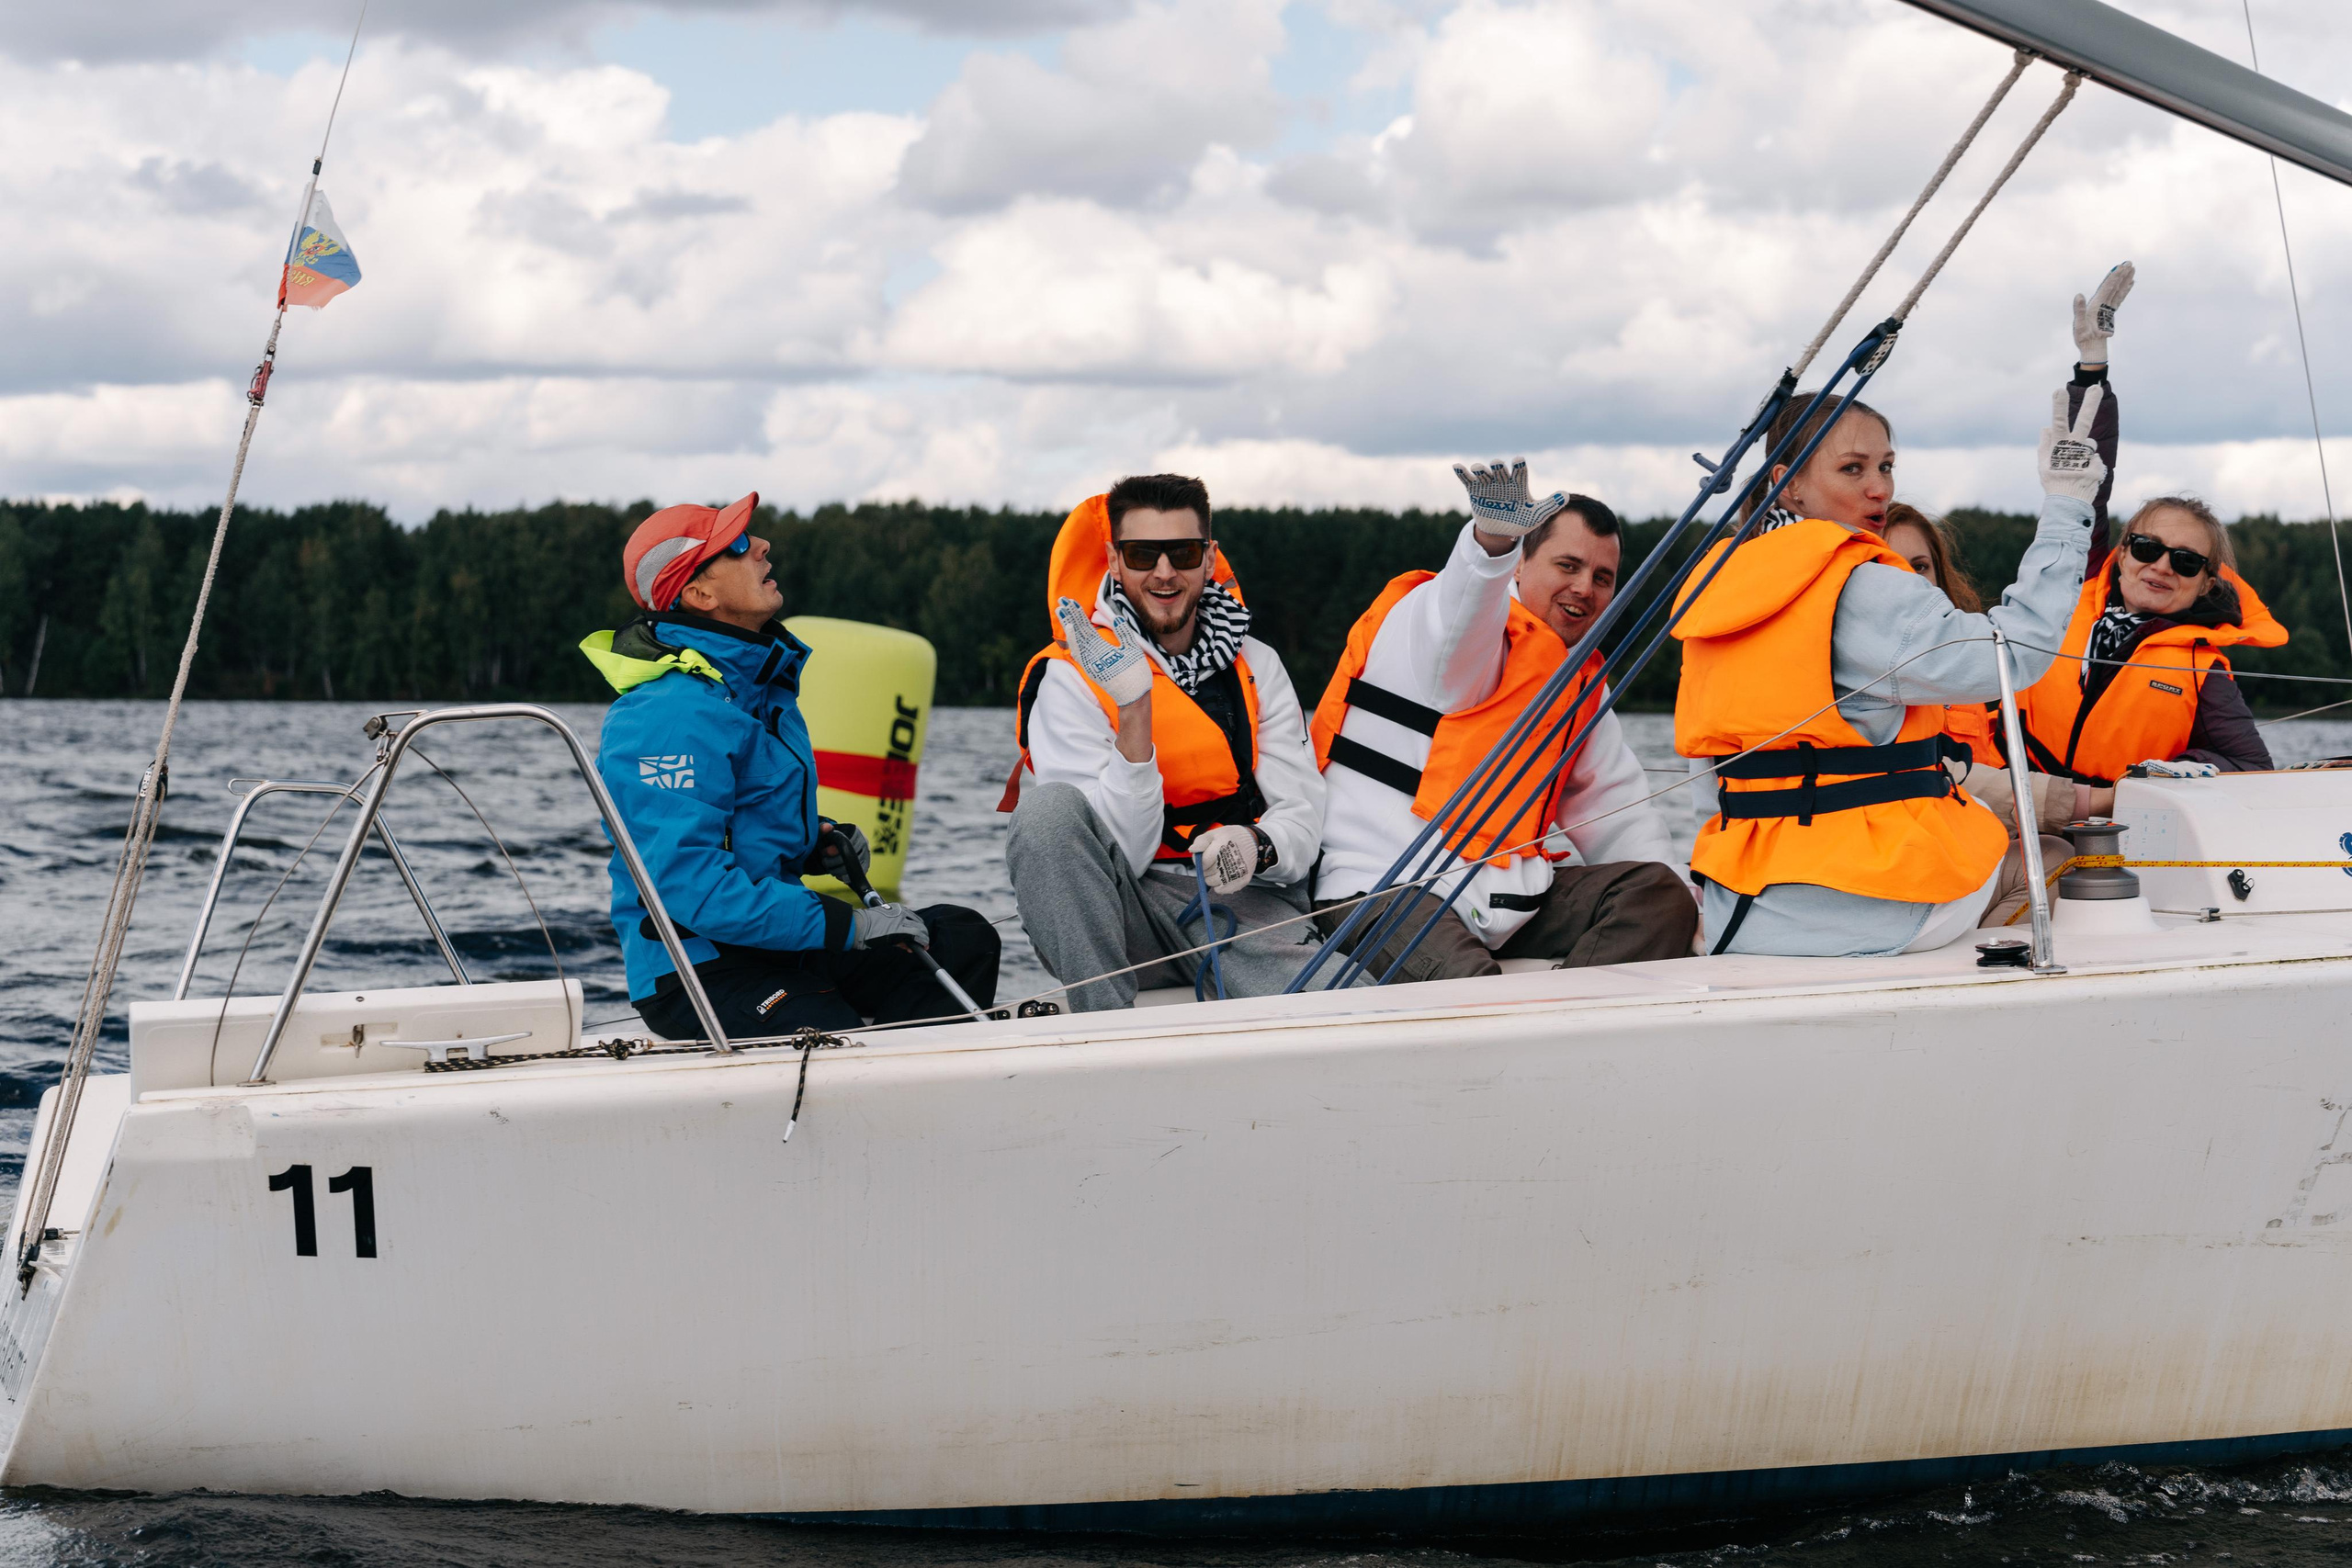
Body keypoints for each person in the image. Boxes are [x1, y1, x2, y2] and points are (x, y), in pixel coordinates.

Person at [1671, 379, 2108, 958]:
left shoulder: (1719, 590)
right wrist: (2068, 506)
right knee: (2038, 850)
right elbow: (2014, 654)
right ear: (1789, 485)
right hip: (1875, 909)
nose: (1879, 488)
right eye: (1852, 469)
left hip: (1744, 913)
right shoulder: (1859, 585)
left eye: (1886, 466)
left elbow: (1713, 779)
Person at [582, 492, 1001, 1038]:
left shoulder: (758, 692)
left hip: (775, 946)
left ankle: (916, 1075)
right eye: (736, 545)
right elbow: (688, 885)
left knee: (961, 937)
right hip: (698, 970)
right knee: (821, 1022)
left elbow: (743, 831)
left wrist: (814, 845)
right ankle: (886, 1079)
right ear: (698, 593)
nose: (761, 545)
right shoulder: (665, 715)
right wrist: (848, 926)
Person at [1305, 462, 1695, 984]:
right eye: (1568, 565)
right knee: (1473, 990)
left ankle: (1566, 1021)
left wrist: (1693, 910)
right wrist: (1490, 544)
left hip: (1508, 903)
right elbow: (1458, 630)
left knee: (1660, 895)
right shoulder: (1438, 622)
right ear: (1519, 565)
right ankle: (1549, 1028)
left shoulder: (1577, 681)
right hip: (1382, 891)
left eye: (1603, 578)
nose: (1584, 588)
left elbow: (1615, 811)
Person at [1002, 474, 1329, 1010]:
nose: (1164, 572)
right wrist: (1134, 710)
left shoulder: (1257, 664)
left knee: (1342, 1004)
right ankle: (1103, 1029)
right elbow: (1125, 853)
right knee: (1045, 813)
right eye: (1141, 554)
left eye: (1183, 553)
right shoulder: (1068, 677)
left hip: (1240, 902)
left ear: (1209, 558)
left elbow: (1302, 814)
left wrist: (1258, 844)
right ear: (1114, 561)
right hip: (1124, 915)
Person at [2011, 493, 2283, 808]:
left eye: (2186, 561)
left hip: (2107, 821)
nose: (2162, 566)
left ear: (2206, 585)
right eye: (2147, 548)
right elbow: (2087, 498)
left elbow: (2252, 766)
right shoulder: (2061, 607)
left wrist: (2171, 773)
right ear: (2123, 555)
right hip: (2006, 797)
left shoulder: (2202, 671)